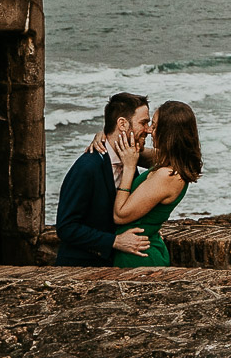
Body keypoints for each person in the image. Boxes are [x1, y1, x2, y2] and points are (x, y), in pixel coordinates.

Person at [53, 92, 152, 266]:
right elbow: (66, 227)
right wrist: (114, 241)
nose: (149, 130)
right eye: (143, 123)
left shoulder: (130, 159)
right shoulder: (87, 167)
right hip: (80, 269)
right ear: (122, 123)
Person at [108, 100, 202, 268]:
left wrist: (129, 168)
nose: (149, 130)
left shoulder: (168, 175)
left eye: (155, 126)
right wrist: (104, 136)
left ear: (169, 133)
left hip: (138, 256)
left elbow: (120, 215)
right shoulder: (169, 161)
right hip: (140, 248)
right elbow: (132, 149)